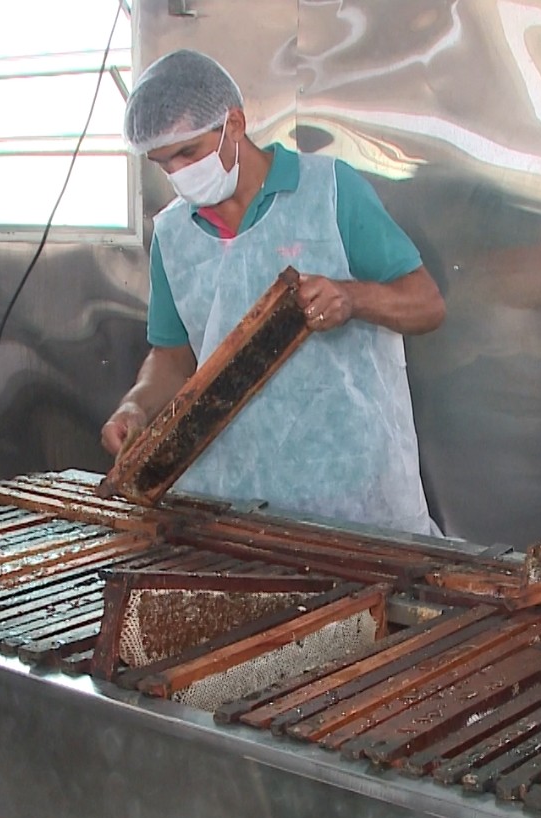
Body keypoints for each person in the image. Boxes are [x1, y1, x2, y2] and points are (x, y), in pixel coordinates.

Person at [101, 50, 445, 536]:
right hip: (229, 502)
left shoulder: (327, 191)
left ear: (234, 124)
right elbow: (173, 355)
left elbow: (427, 303)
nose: (178, 173)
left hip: (354, 498)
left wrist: (352, 298)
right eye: (163, 163)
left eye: (189, 152)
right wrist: (136, 405)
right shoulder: (174, 234)